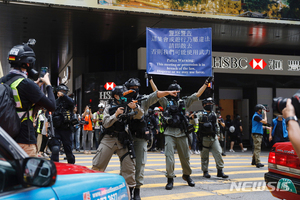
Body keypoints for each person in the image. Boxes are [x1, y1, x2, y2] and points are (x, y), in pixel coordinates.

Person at [124, 77, 180, 199]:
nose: (134, 91)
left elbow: (156, 95)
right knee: (126, 166)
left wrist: (168, 92)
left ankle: (137, 190)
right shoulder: (122, 100)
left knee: (140, 164)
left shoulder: (143, 100)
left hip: (140, 137)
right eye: (131, 89)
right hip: (125, 137)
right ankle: (129, 188)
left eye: (136, 88)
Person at [153, 77, 212, 190]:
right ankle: (170, 179)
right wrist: (151, 80)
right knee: (169, 157)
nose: (177, 93)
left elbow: (198, 94)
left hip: (182, 133)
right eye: (174, 91)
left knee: (185, 157)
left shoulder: (184, 101)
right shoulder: (166, 102)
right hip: (169, 133)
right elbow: (156, 93)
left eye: (178, 91)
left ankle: (187, 175)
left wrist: (206, 83)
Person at [0, 40, 55, 157]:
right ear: (28, 63)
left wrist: (34, 87)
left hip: (4, 140)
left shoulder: (3, 81)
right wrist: (48, 84)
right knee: (28, 174)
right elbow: (51, 105)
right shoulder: (27, 84)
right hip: (24, 140)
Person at [92, 85, 144, 199]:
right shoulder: (108, 107)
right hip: (109, 138)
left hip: (123, 139)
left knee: (129, 168)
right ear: (116, 96)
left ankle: (129, 193)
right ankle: (93, 192)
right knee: (97, 165)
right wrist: (115, 115)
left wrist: (135, 108)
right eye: (123, 95)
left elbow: (141, 115)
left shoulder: (130, 104)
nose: (125, 97)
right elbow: (105, 123)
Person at [197, 97, 228, 179]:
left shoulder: (213, 114)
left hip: (213, 137)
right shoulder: (200, 114)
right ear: (204, 105)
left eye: (211, 104)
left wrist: (217, 134)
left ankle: (220, 171)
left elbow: (216, 125)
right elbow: (195, 123)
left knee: (218, 153)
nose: (210, 105)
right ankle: (205, 171)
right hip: (204, 138)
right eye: (208, 104)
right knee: (204, 156)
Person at [50, 84, 75, 164]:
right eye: (61, 91)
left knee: (68, 152)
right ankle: (55, 168)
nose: (62, 93)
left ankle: (71, 167)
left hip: (67, 129)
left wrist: (64, 96)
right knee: (55, 149)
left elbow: (72, 102)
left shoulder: (69, 102)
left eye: (64, 92)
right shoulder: (55, 102)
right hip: (57, 129)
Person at [251, 104, 268, 168]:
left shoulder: (258, 116)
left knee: (256, 147)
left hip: (257, 133)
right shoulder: (256, 116)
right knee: (257, 148)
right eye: (261, 109)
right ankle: (257, 162)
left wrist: (267, 128)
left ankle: (253, 161)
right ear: (258, 110)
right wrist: (265, 114)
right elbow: (265, 121)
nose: (262, 111)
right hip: (256, 134)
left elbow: (259, 125)